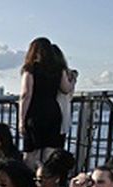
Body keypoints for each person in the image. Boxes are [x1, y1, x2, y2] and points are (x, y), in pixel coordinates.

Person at [19, 37, 74, 168]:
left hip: (35, 113)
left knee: (32, 153)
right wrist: (73, 79)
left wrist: (21, 120)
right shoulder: (58, 69)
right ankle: (48, 180)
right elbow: (66, 88)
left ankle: (32, 181)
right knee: (50, 151)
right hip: (53, 111)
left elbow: (26, 94)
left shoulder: (30, 69)